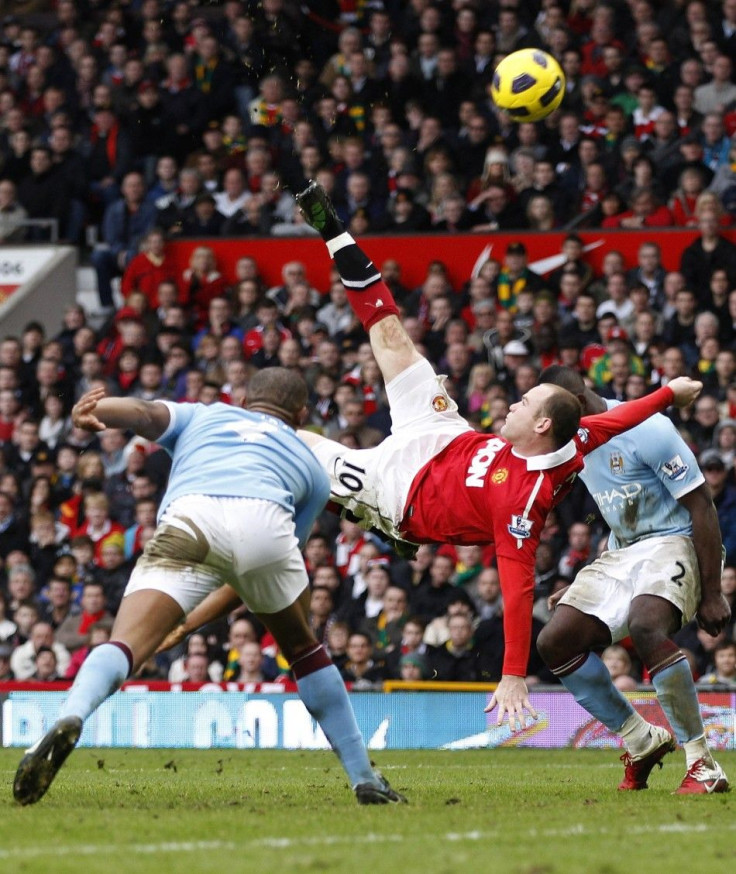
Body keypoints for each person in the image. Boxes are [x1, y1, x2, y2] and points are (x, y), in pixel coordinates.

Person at [292, 180, 704, 729]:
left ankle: (353, 509)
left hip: (399, 490)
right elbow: (618, 417)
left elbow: (517, 590)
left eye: (524, 400)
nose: (512, 400)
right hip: (443, 434)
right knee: (390, 335)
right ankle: (331, 228)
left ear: (539, 423)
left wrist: (512, 673)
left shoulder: (520, 504)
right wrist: (668, 394)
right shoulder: (571, 439)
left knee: (299, 445)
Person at [13, 368, 404, 807]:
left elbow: (142, 412)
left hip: (193, 516)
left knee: (125, 644)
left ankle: (71, 714)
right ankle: (364, 777)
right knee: (305, 650)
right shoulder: (311, 468)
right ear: (301, 413)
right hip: (267, 522)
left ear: (244, 400)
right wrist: (190, 624)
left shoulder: (204, 416)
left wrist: (93, 409)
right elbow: (253, 573)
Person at [537, 365, 729, 795]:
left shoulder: (649, 429)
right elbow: (617, 512)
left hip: (677, 540)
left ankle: (702, 761)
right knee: (555, 641)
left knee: (646, 625)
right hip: (624, 551)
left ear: (580, 406)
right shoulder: (573, 445)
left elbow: (701, 507)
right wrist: (592, 576)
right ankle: (641, 740)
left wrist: (712, 592)